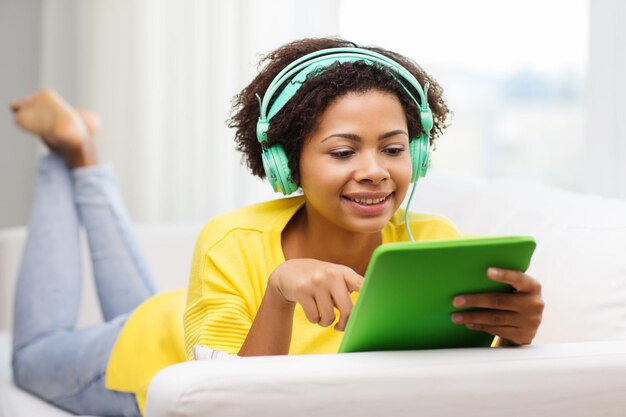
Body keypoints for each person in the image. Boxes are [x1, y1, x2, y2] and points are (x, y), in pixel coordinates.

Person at [9, 37, 544, 417]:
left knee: (135, 303)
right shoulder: (230, 239)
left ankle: (81, 147)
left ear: (419, 154)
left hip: (190, 316)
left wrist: (511, 335)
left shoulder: (435, 241)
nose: (375, 170)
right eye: (342, 151)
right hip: (151, 347)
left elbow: (456, 379)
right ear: (288, 165)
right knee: (33, 359)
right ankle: (69, 151)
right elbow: (226, 402)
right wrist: (279, 290)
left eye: (394, 148)